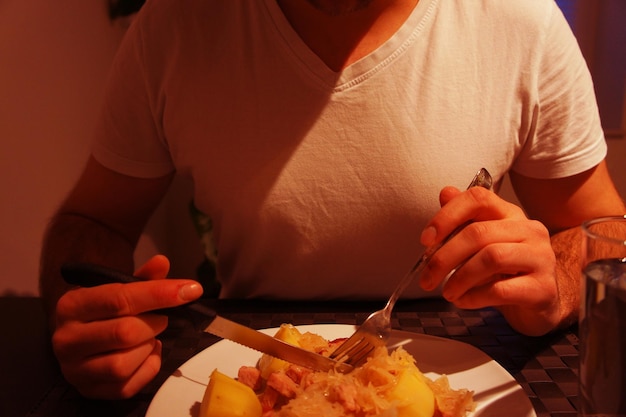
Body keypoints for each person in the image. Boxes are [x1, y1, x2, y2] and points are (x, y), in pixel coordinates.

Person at [40, 0, 625, 400]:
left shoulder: (520, 21)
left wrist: (561, 279)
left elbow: (610, 231)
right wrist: (91, 319)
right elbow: (91, 224)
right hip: (251, 374)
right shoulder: (176, 25)